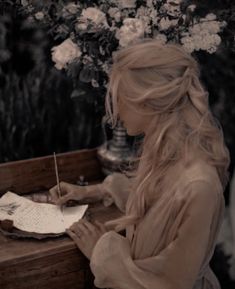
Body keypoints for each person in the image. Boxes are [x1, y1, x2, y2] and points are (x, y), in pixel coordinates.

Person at [49, 39, 230, 289]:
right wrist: (91, 192)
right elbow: (156, 202)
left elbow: (169, 283)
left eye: (120, 99)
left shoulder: (199, 185)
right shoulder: (167, 151)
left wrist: (102, 251)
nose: (117, 114)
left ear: (146, 102)